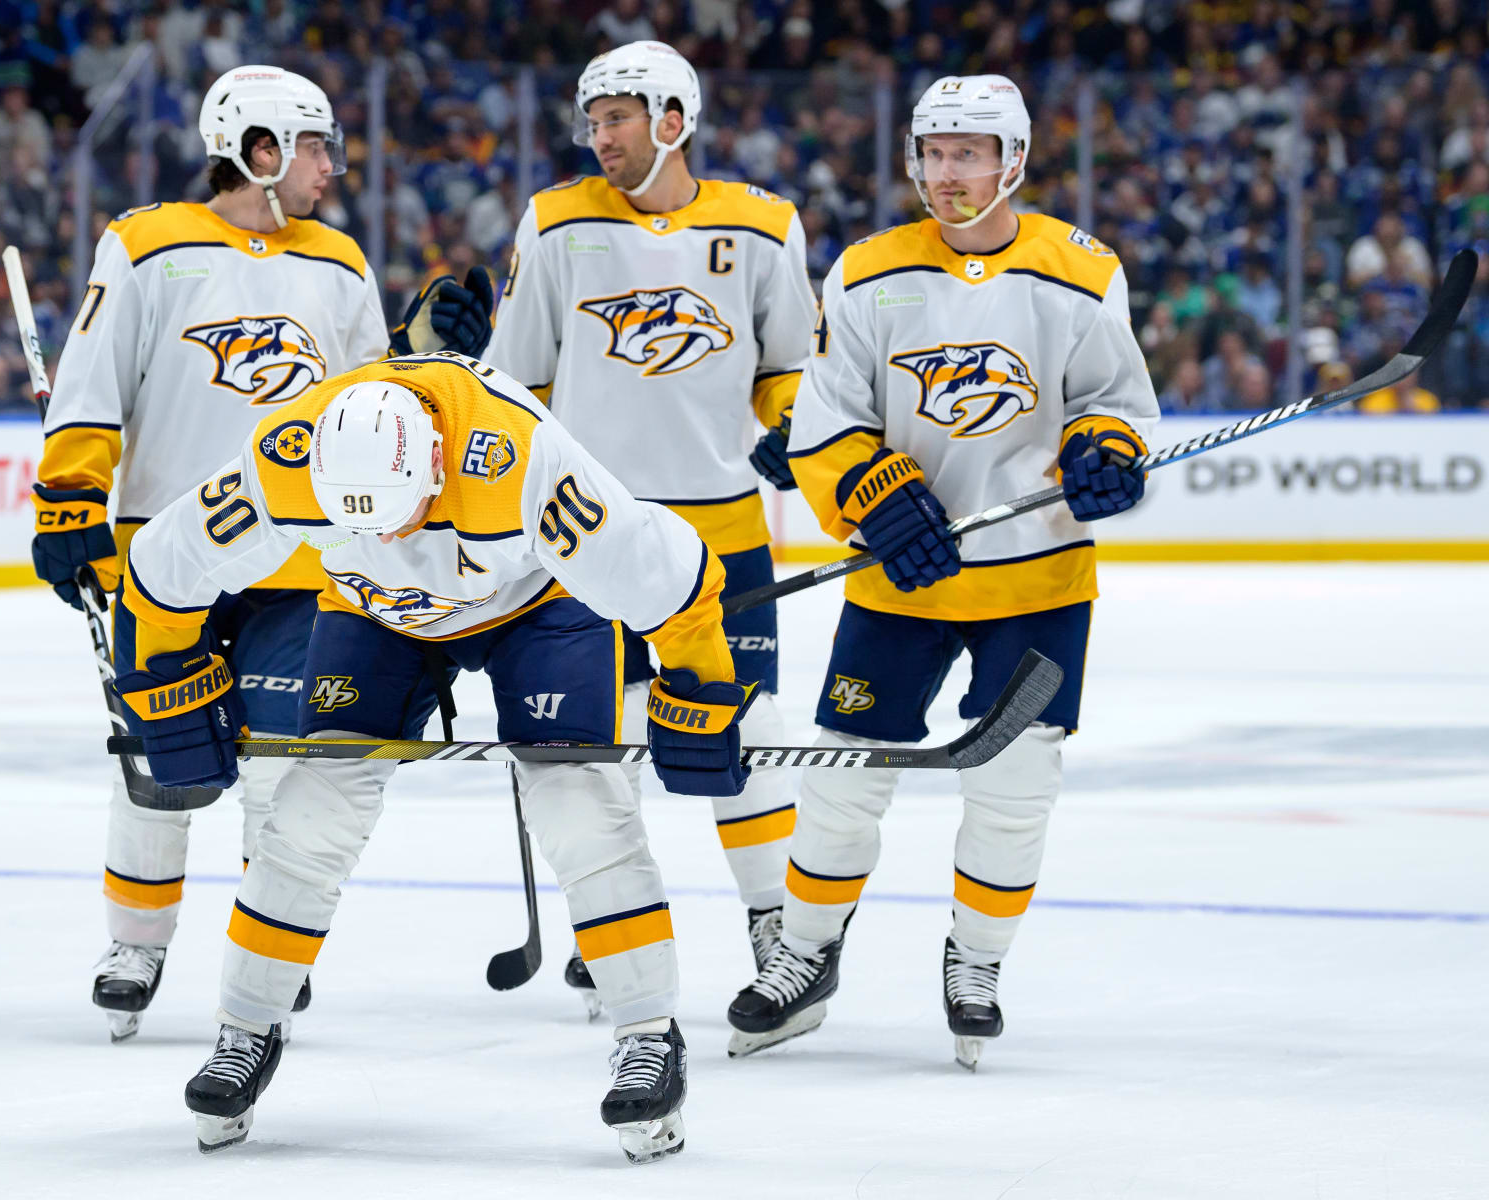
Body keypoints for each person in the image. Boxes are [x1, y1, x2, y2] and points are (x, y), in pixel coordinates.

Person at [113, 353, 752, 1162]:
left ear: (439, 461)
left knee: (579, 804)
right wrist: (168, 679)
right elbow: (162, 570)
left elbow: (671, 578)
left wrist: (699, 687)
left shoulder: (518, 461)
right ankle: (245, 1027)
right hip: (375, 612)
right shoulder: (286, 456)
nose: (387, 537)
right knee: (310, 810)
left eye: (399, 515)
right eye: (362, 523)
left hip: (537, 604)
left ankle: (648, 1033)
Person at [32, 65, 480, 1043]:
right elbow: (94, 380)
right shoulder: (146, 244)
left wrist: (428, 351)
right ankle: (135, 946)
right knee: (158, 762)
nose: (330, 167)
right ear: (259, 150)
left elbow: (373, 399)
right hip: (165, 557)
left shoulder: (339, 261)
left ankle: (262, 950)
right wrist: (69, 498)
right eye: (314, 146)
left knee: (280, 767)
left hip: (300, 562)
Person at [725, 75, 1159, 1069]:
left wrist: (1104, 449)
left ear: (1014, 160)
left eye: (970, 152)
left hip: (1037, 583)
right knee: (843, 777)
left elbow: (1115, 402)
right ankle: (805, 953)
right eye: (934, 152)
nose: (948, 172)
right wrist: (868, 490)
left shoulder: (1083, 271)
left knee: (1015, 785)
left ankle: (979, 962)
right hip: (899, 580)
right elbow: (827, 421)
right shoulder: (869, 271)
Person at [479, 40, 819, 1014]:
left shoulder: (764, 226)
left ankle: (779, 932)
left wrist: (794, 427)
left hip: (722, 534)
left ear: (674, 120)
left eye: (618, 118)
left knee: (744, 727)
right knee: (604, 736)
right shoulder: (555, 220)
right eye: (593, 121)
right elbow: (516, 381)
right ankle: (613, 924)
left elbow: (789, 369)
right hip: (591, 535)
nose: (601, 137)